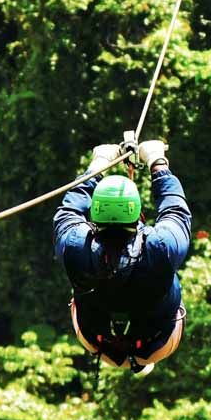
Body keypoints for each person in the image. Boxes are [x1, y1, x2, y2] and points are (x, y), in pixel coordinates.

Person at [53, 139, 191, 374]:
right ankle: (143, 358)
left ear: (95, 213)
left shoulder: (75, 246)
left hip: (97, 341)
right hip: (158, 343)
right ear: (138, 213)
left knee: (81, 283)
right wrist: (158, 164)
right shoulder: (161, 247)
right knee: (165, 287)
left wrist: (97, 165)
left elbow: (70, 210)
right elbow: (175, 210)